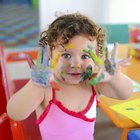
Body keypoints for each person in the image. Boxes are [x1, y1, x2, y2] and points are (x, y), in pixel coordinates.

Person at [7, 13, 133, 140]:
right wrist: (34, 85)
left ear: (96, 57)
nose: (76, 64)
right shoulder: (46, 87)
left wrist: (115, 78)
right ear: (50, 53)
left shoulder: (94, 82)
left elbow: (125, 94)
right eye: (66, 55)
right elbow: (15, 113)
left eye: (85, 56)